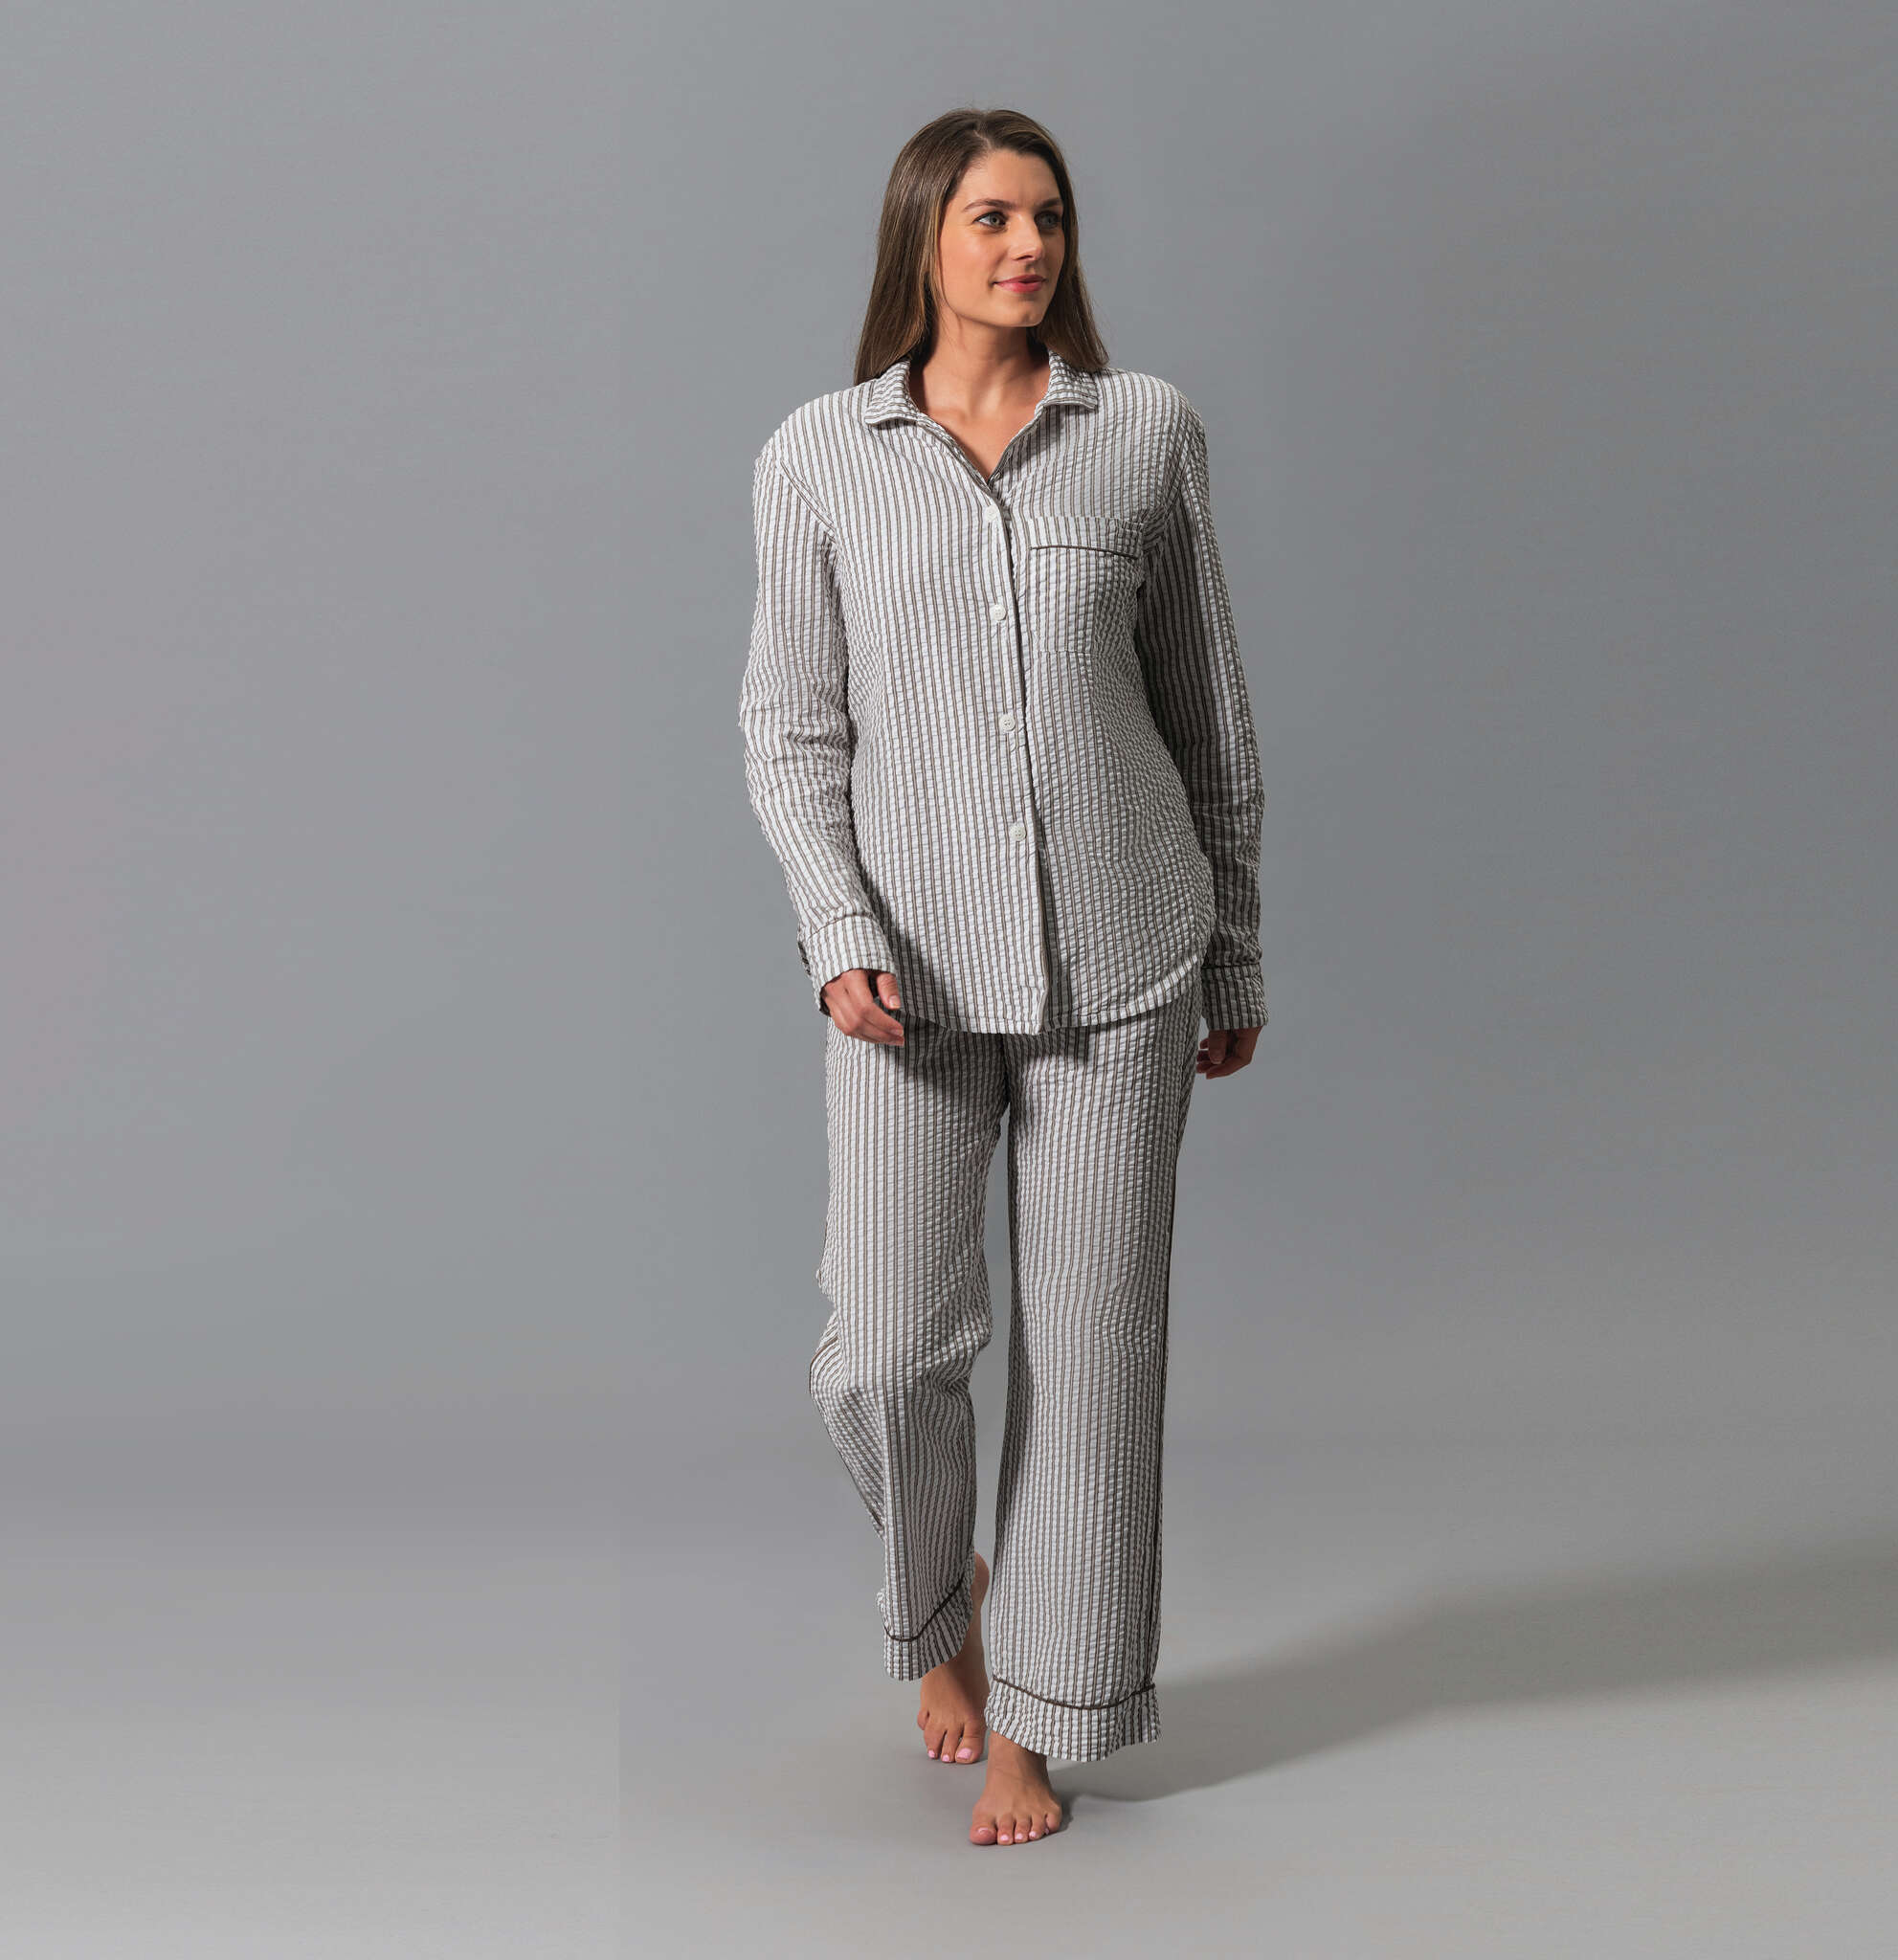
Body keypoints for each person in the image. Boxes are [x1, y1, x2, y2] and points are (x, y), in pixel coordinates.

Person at [737, 106, 1268, 1848]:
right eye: (989, 218)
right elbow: (790, 729)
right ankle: (943, 1613)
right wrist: (837, 931)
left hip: (1127, 952)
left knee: (1095, 1365)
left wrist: (1235, 945)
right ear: (923, 235)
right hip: (906, 976)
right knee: (887, 1354)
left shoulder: (1144, 434)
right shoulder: (820, 455)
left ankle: (1043, 1721)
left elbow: (1209, 714)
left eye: (1047, 217)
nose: (1027, 246)